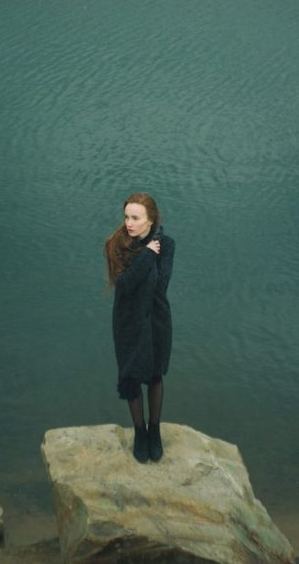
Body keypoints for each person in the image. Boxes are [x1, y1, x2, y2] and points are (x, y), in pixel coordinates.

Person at [104, 192, 175, 463]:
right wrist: (145, 255)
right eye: (126, 217)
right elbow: (124, 286)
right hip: (127, 321)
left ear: (151, 220)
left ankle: (154, 431)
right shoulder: (116, 245)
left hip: (156, 318)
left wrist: (150, 255)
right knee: (132, 376)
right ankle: (140, 432)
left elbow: (160, 284)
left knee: (155, 375)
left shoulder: (166, 245)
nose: (129, 223)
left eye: (136, 218)